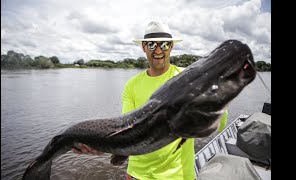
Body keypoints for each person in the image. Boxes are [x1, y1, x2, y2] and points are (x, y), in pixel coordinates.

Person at [73, 20, 228, 180]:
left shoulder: (189, 79)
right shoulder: (132, 85)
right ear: (144, 47)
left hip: (179, 176)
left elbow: (219, 123)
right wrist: (101, 145)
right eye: (152, 45)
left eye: (165, 45)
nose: (159, 50)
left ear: (171, 46)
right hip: (137, 175)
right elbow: (125, 129)